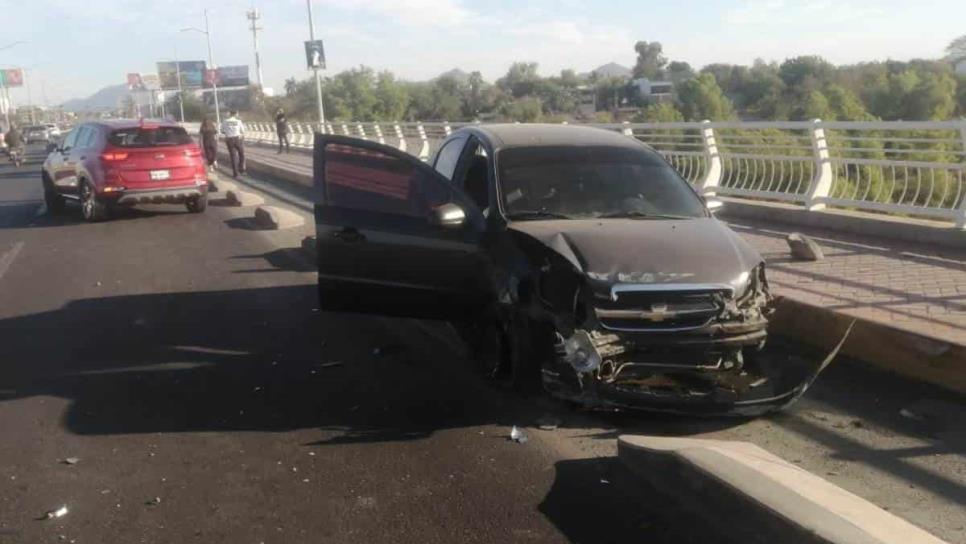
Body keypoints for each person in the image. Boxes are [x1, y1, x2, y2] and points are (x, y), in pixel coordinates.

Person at [221, 110, 246, 178]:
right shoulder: (238, 121)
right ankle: (241, 168)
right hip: (237, 139)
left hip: (229, 140)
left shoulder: (225, 121)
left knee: (233, 156)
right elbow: (242, 131)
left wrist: (228, 132)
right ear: (236, 114)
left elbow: (222, 131)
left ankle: (235, 174)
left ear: (230, 114)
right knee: (242, 154)